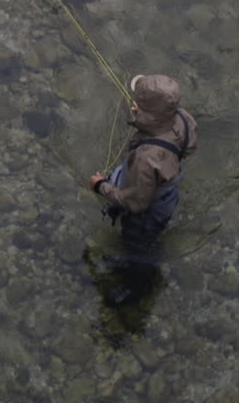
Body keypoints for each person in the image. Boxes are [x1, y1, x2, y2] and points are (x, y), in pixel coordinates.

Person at [88, 73, 198, 306]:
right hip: (168, 192)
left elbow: (137, 203)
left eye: (138, 102)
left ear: (149, 113)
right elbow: (188, 148)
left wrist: (101, 186)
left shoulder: (146, 159)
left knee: (137, 244)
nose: (133, 104)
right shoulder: (183, 119)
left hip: (146, 211)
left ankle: (139, 283)